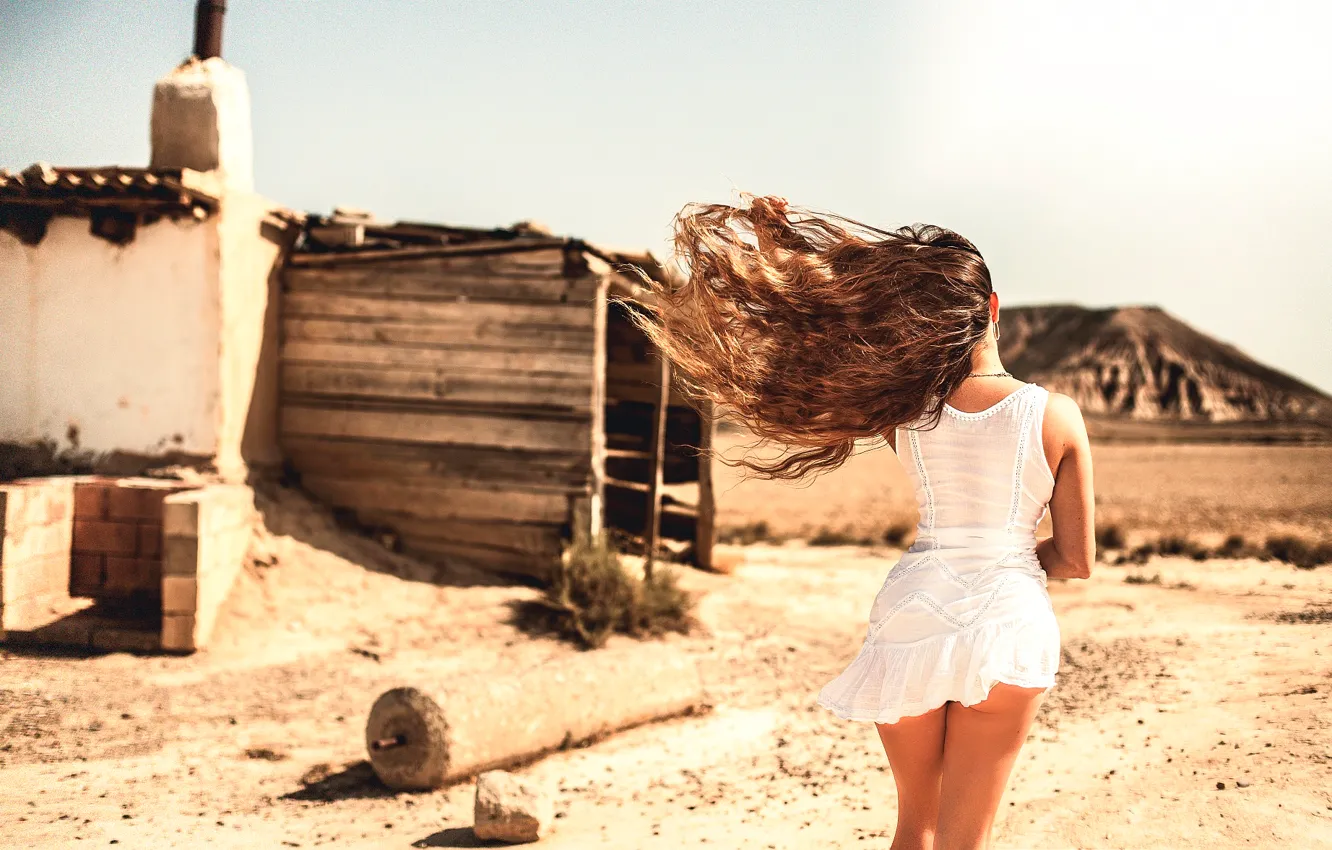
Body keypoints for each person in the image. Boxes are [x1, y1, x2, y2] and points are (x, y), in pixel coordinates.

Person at [627, 195, 1096, 850]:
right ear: (993, 310)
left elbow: (834, 336)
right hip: (1008, 621)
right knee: (966, 841)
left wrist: (777, 246)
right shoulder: (1056, 416)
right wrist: (1009, 562)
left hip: (913, 611)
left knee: (916, 827)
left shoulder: (902, 413)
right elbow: (1076, 560)